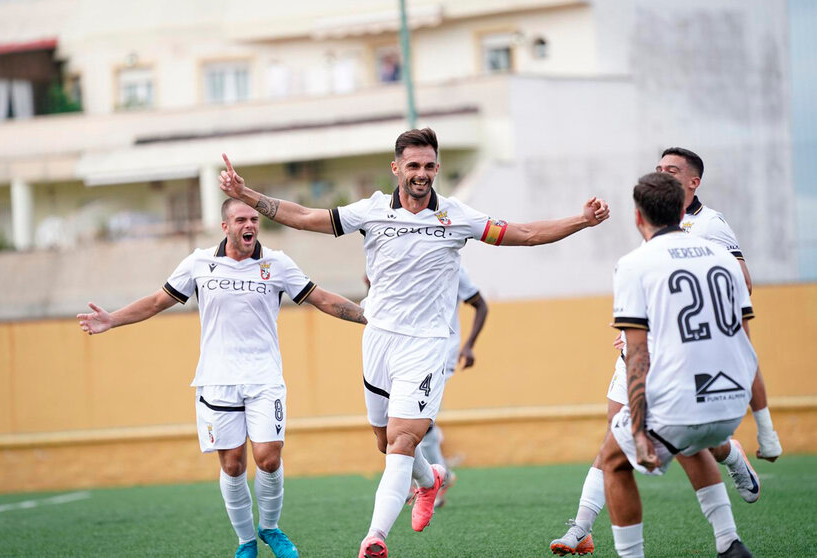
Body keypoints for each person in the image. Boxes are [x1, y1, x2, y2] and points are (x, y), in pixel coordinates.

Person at [217, 127, 610, 558]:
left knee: (402, 441)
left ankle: (375, 538)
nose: (420, 174)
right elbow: (306, 217)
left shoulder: (457, 216)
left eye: (428, 166)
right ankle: (430, 479)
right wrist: (248, 195)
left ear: (437, 169)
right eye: (412, 166)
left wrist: (581, 220)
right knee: (385, 440)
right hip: (378, 339)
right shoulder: (370, 211)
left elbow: (525, 233)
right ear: (396, 168)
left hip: (426, 346)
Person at [77, 199, 366, 558]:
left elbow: (321, 299)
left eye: (254, 219)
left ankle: (271, 529)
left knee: (269, 458)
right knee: (233, 464)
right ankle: (246, 541)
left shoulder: (276, 263)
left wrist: (367, 315)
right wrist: (112, 320)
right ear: (225, 226)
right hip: (216, 381)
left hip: (264, 379)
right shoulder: (200, 264)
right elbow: (155, 302)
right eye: (241, 219)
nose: (250, 225)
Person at [550, 147, 782, 556]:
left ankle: (728, 471)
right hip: (653, 349)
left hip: (673, 359)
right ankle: (582, 528)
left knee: (628, 448)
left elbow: (742, 284)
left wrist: (654, 325)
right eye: (659, 169)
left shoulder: (709, 227)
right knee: (627, 432)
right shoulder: (661, 245)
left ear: (693, 184)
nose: (665, 174)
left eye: (673, 170)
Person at [603, 171, 758, 557]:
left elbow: (636, 355)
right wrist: (766, 426)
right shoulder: (722, 256)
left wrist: (639, 432)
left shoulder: (635, 263)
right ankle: (729, 541)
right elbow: (744, 336)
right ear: (681, 208)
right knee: (689, 443)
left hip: (682, 394)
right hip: (730, 400)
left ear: (638, 216)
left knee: (612, 460)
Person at [418, 265, 488, 509]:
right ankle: (439, 474)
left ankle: (434, 480)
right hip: (412, 352)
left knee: (420, 416)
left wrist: (468, 345)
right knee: (412, 416)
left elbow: (481, 305)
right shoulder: (408, 260)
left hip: (442, 353)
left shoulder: (453, 267)